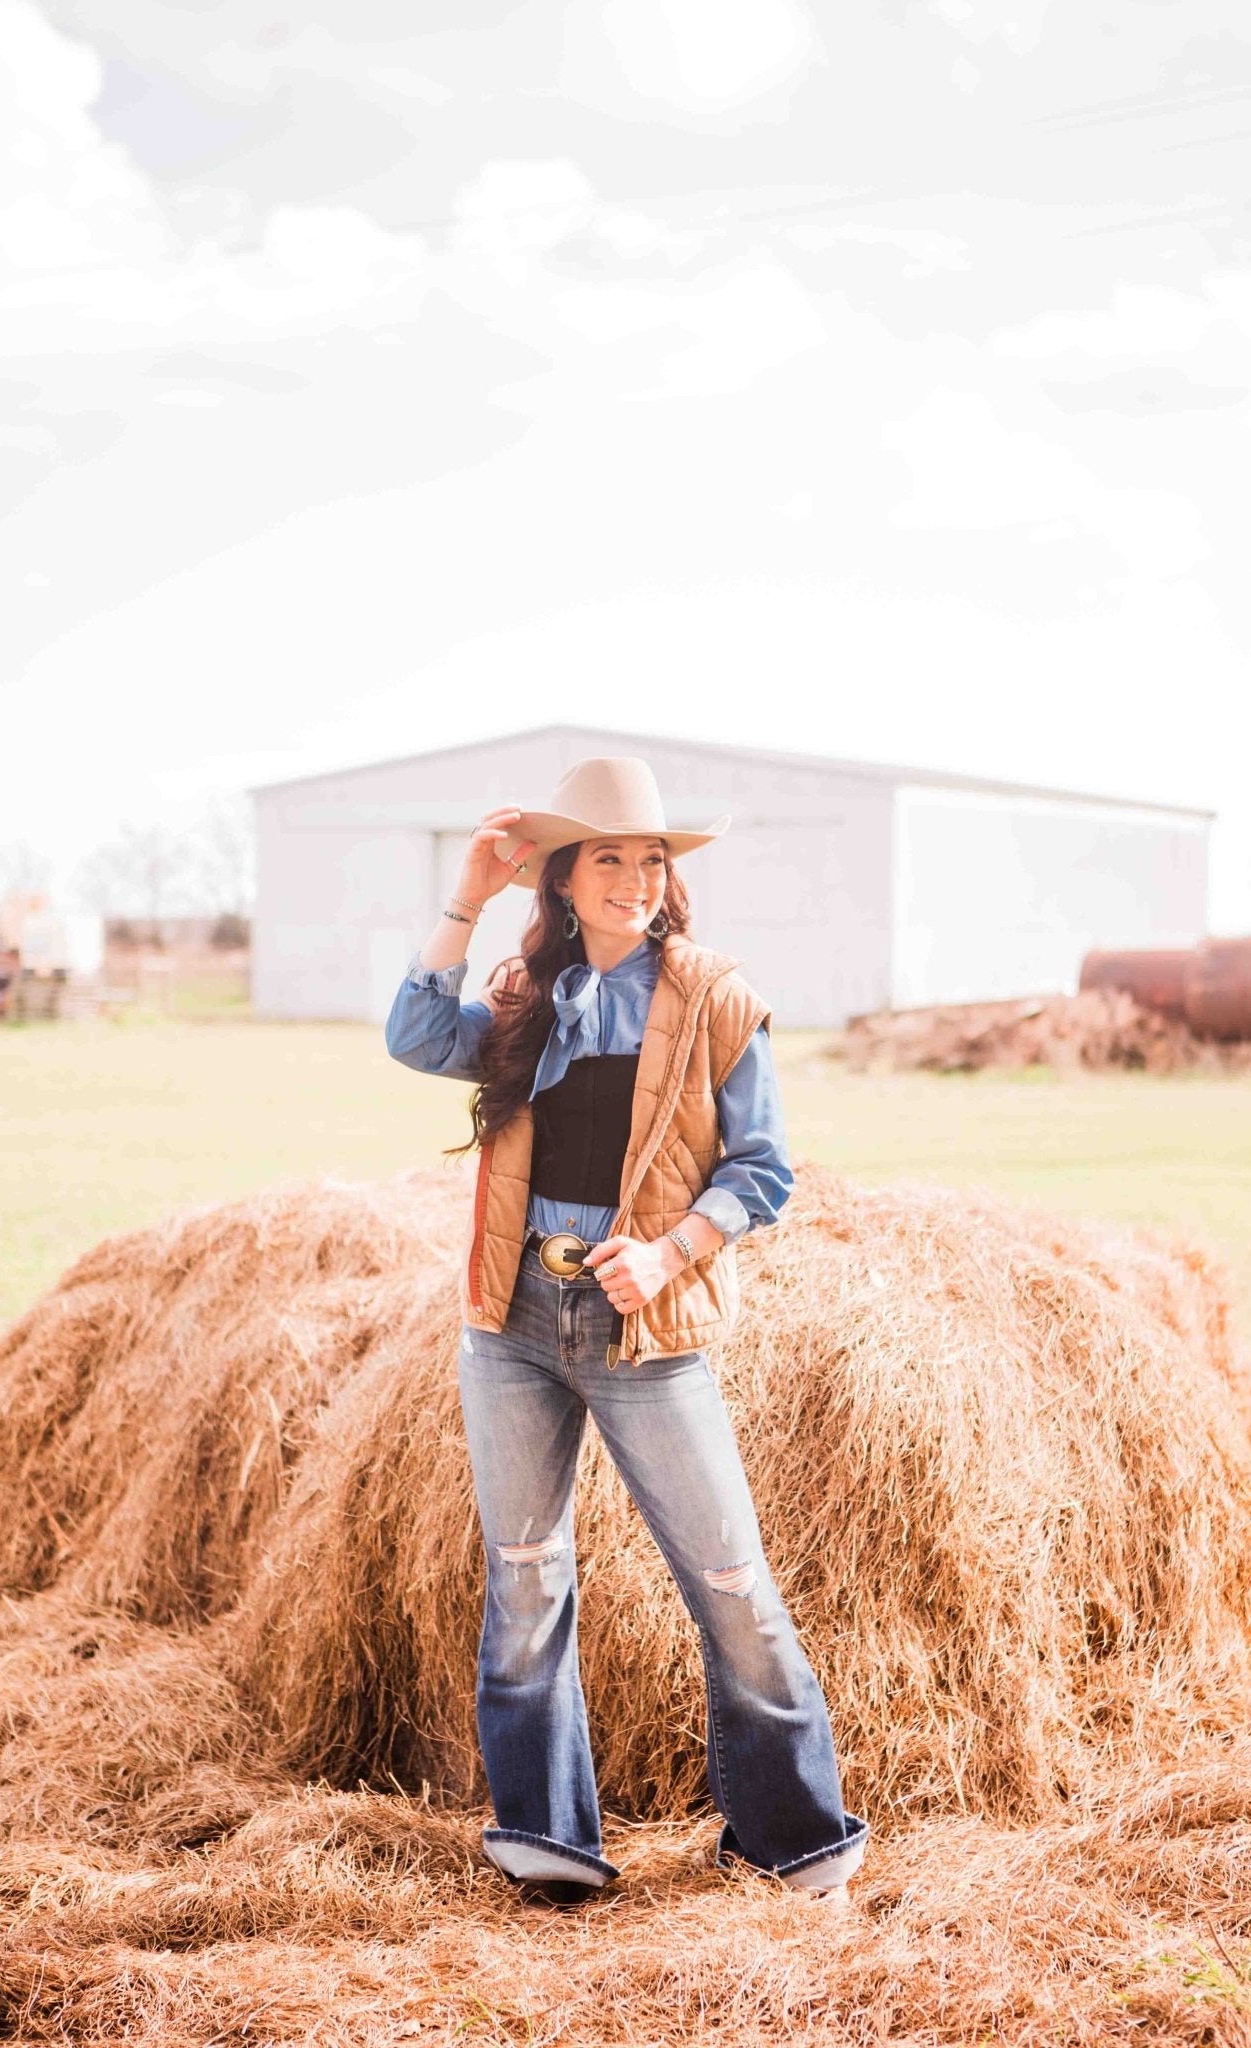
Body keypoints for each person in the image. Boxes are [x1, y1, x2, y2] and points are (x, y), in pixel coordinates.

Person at [384, 756, 868, 1908]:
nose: (636, 878)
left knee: (731, 1578)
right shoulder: (521, 994)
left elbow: (764, 1169)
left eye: (650, 859)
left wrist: (668, 1250)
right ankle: (549, 1841)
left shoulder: (712, 996)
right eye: (608, 856)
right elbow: (412, 1032)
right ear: (561, 875)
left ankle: (794, 1843)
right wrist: (466, 894)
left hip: (641, 1326)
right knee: (526, 1575)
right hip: (511, 1319)